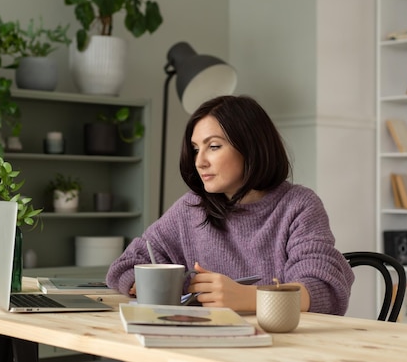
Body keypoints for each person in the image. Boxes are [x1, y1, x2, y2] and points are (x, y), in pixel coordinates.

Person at [106, 95, 354, 315]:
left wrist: (247, 297)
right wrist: (149, 284)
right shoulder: (192, 208)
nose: (199, 162)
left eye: (213, 146)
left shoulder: (298, 205)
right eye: (195, 149)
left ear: (251, 147)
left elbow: (323, 290)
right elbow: (128, 263)